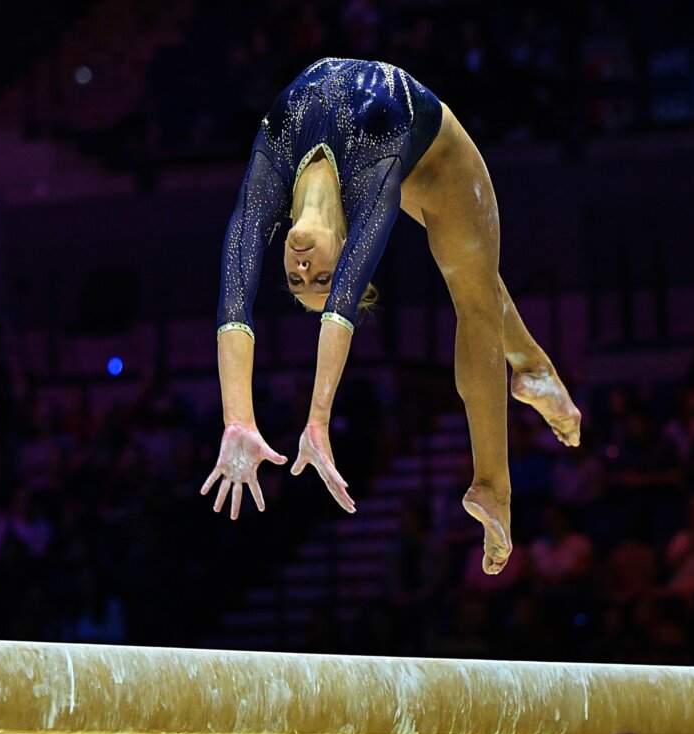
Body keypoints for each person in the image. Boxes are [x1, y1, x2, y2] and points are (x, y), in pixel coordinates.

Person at [200, 58, 581, 574]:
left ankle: (501, 460)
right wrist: (244, 419)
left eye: (297, 279)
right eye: (320, 278)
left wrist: (269, 419)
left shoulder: (275, 160)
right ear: (347, 243)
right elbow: (332, 310)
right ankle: (508, 451)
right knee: (474, 288)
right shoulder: (371, 182)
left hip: (434, 155)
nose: (305, 269)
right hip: (426, 154)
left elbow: (234, 295)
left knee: (475, 291)